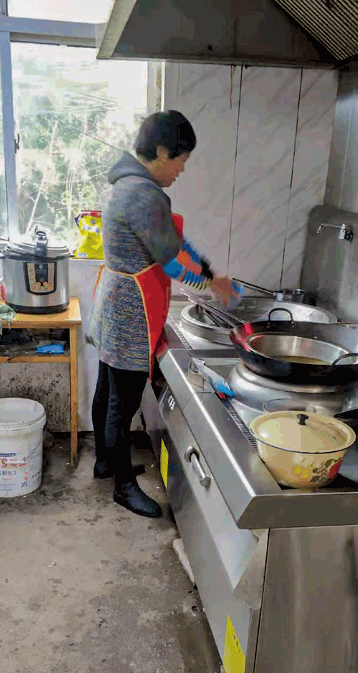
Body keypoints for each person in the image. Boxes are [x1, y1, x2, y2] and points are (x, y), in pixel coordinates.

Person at [88, 110, 234, 518]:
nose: (181, 170)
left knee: (107, 389)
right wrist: (214, 282)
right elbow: (172, 257)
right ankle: (123, 487)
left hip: (114, 302)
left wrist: (206, 273)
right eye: (182, 160)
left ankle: (105, 462)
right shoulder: (144, 193)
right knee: (122, 403)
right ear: (163, 152)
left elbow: (169, 243)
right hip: (131, 311)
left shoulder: (124, 183)